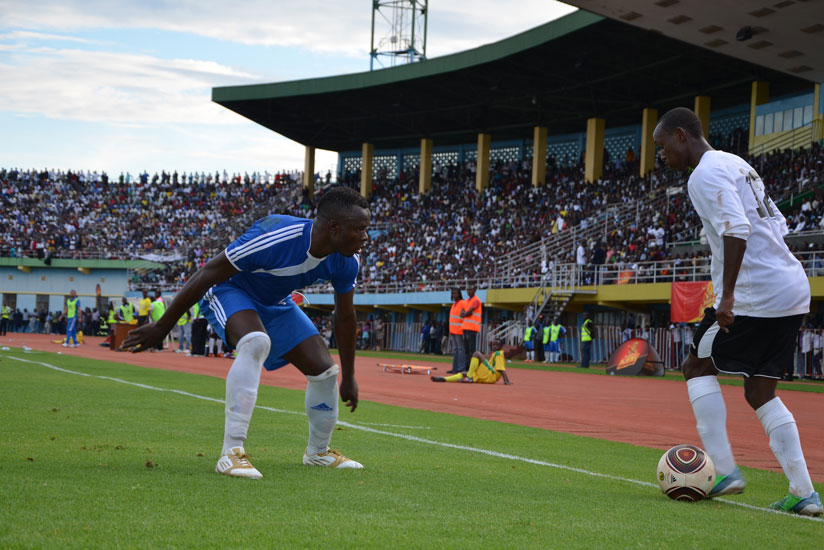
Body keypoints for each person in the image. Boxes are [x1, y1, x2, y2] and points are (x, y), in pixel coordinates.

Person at [122, 186, 369, 478]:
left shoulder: (346, 261)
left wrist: (350, 377)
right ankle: (231, 453)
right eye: (358, 229)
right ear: (334, 227)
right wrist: (163, 326)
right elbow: (208, 272)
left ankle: (318, 452)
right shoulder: (275, 236)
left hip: (275, 303)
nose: (365, 237)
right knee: (255, 342)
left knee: (326, 372)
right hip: (229, 289)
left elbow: (345, 317)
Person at [654, 106, 821, 516]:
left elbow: (737, 228)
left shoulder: (704, 174)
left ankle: (725, 470)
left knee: (695, 367)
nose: (662, 157)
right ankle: (804, 494)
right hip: (792, 289)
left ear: (681, 135)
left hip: (754, 295)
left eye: (662, 147)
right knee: (759, 389)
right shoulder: (737, 163)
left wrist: (726, 297)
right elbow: (776, 223)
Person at [431, 339, 511, 384]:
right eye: (493, 345)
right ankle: (444, 379)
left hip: (491, 375)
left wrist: (506, 381)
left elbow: (501, 369)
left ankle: (469, 378)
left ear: (501, 346)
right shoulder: (496, 353)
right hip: (488, 375)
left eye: (496, 345)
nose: (494, 347)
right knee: (463, 373)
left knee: (477, 354)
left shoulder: (498, 354)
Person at [460, 285, 482, 371]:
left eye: (470, 290)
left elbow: (467, 313)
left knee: (471, 350)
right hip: (466, 327)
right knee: (466, 350)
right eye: (468, 290)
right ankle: (466, 368)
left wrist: (465, 313)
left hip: (472, 328)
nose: (469, 291)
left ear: (475, 290)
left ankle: (471, 368)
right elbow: (462, 313)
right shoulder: (466, 301)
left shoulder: (476, 300)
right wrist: (465, 313)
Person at [446, 288, 466, 374]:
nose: (454, 295)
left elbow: (465, 314)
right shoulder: (454, 304)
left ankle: (460, 368)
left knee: (460, 349)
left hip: (459, 330)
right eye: (453, 293)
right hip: (453, 330)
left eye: (456, 293)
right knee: (455, 349)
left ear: (459, 294)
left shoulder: (462, 303)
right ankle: (455, 368)